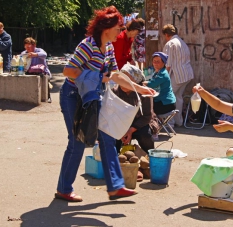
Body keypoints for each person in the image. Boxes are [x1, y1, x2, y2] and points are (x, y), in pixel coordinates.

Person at [56, 6, 155, 202]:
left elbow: (115, 75)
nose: (121, 31)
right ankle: (64, 189)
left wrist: (140, 89)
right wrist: (99, 76)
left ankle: (115, 187)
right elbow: (68, 71)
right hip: (73, 95)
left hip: (92, 96)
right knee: (77, 142)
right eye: (119, 27)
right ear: (107, 28)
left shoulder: (108, 47)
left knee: (107, 138)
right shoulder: (88, 45)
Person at [113, 64, 159, 154]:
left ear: (136, 80)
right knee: (112, 137)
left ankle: (150, 158)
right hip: (121, 123)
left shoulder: (144, 92)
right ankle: (114, 161)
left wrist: (130, 130)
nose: (124, 83)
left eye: (128, 80)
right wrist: (121, 130)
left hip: (141, 123)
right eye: (122, 79)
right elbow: (113, 113)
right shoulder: (116, 91)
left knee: (145, 135)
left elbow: (147, 116)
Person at [162, 24, 194, 127]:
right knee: (178, 97)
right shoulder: (182, 42)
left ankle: (170, 122)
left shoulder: (170, 44)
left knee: (168, 97)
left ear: (166, 34)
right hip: (186, 74)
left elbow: (168, 64)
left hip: (178, 75)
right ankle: (178, 121)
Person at [143, 52, 176, 117]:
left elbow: (151, 84)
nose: (155, 63)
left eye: (158, 61)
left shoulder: (163, 74)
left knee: (145, 110)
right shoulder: (157, 72)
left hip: (166, 104)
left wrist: (139, 83)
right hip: (162, 102)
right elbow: (150, 81)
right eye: (154, 61)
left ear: (163, 63)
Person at [21, 37, 52, 103]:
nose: (27, 49)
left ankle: (48, 96)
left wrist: (35, 55)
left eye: (29, 47)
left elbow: (44, 55)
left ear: (34, 45)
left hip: (42, 72)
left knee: (45, 78)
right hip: (29, 72)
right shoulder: (24, 53)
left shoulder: (39, 50)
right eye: (26, 47)